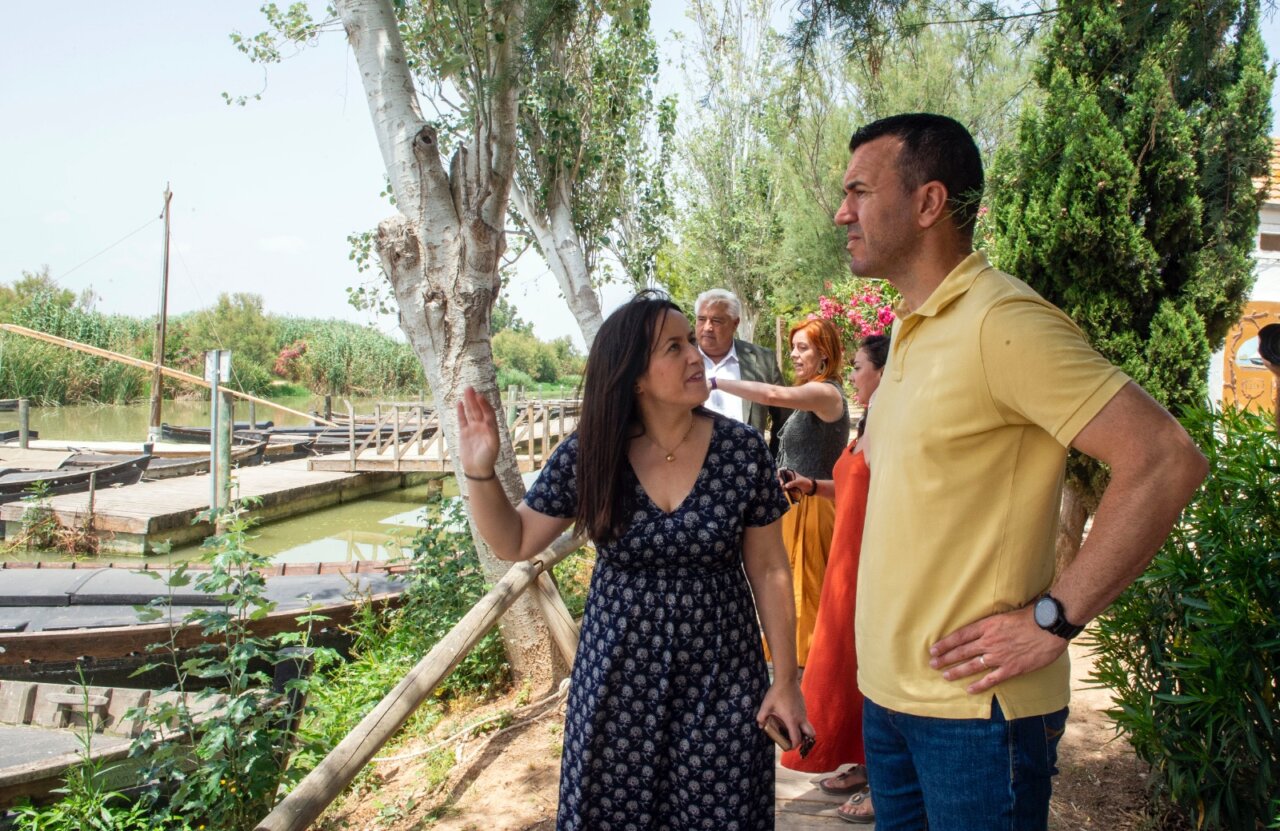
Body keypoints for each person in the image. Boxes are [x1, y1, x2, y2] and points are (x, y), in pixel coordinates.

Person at [835, 113, 1208, 830]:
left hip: (978, 720)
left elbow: (1165, 458)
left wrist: (1055, 617)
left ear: (928, 202)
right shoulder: (910, 329)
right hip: (890, 707)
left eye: (858, 190)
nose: (841, 211)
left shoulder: (1002, 321)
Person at [456, 290, 811, 831]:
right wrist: (481, 470)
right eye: (675, 347)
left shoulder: (743, 452)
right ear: (635, 377)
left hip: (723, 674)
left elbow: (769, 570)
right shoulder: (593, 451)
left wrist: (785, 680)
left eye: (691, 341)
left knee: (722, 811)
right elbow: (516, 540)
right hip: (617, 678)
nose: (696, 354)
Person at [778, 334, 889, 825]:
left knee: (868, 665)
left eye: (863, 367)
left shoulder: (896, 426)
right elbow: (851, 484)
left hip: (873, 561)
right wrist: (813, 485)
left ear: (883, 372)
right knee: (846, 665)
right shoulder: (872, 422)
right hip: (848, 556)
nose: (857, 376)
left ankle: (886, 785)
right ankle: (864, 765)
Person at [710, 317, 850, 666]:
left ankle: (811, 680)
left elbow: (773, 394)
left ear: (824, 354)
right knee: (792, 597)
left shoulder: (827, 393)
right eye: (793, 348)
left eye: (803, 348)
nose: (794, 355)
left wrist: (715, 382)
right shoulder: (814, 392)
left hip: (815, 509)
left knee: (809, 599)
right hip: (795, 507)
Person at [696, 288, 791, 455]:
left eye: (716, 321)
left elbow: (785, 419)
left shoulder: (762, 360)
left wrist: (773, 462)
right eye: (701, 319)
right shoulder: (680, 361)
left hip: (748, 470)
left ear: (735, 323)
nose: (708, 327)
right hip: (691, 471)